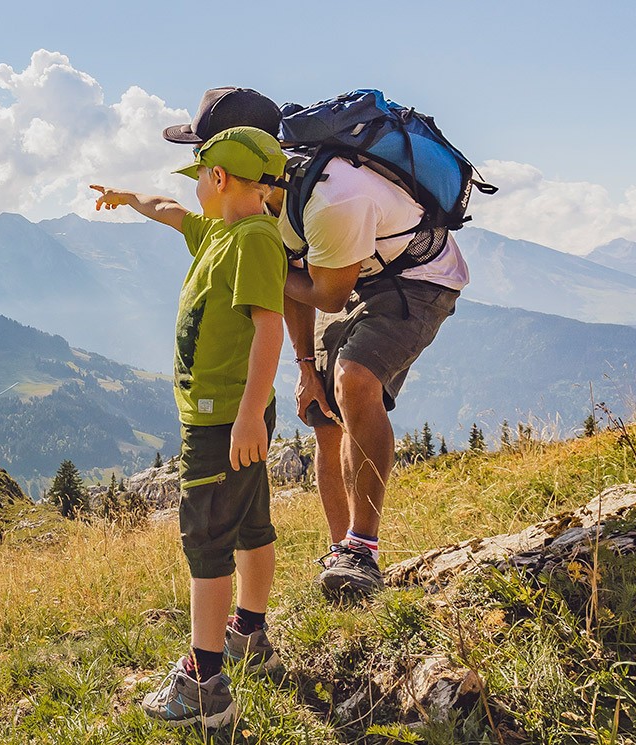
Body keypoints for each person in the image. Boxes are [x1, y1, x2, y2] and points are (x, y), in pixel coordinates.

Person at [173, 87, 468, 600]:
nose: (201, 169)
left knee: (355, 380)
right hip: (351, 273)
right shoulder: (268, 201)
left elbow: (325, 293)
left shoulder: (332, 196)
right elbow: (298, 277)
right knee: (323, 410)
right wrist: (305, 367)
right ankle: (342, 556)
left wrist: (264, 274)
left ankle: (363, 549)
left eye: (205, 156)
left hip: (417, 280)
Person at [89, 124, 288, 729]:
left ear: (219, 178)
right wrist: (127, 197)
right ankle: (249, 633)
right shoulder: (221, 231)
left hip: (224, 420)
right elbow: (170, 209)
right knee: (251, 523)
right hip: (233, 415)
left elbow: (268, 327)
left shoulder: (253, 239)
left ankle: (205, 682)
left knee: (205, 539)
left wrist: (249, 413)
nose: (193, 187)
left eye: (200, 174)